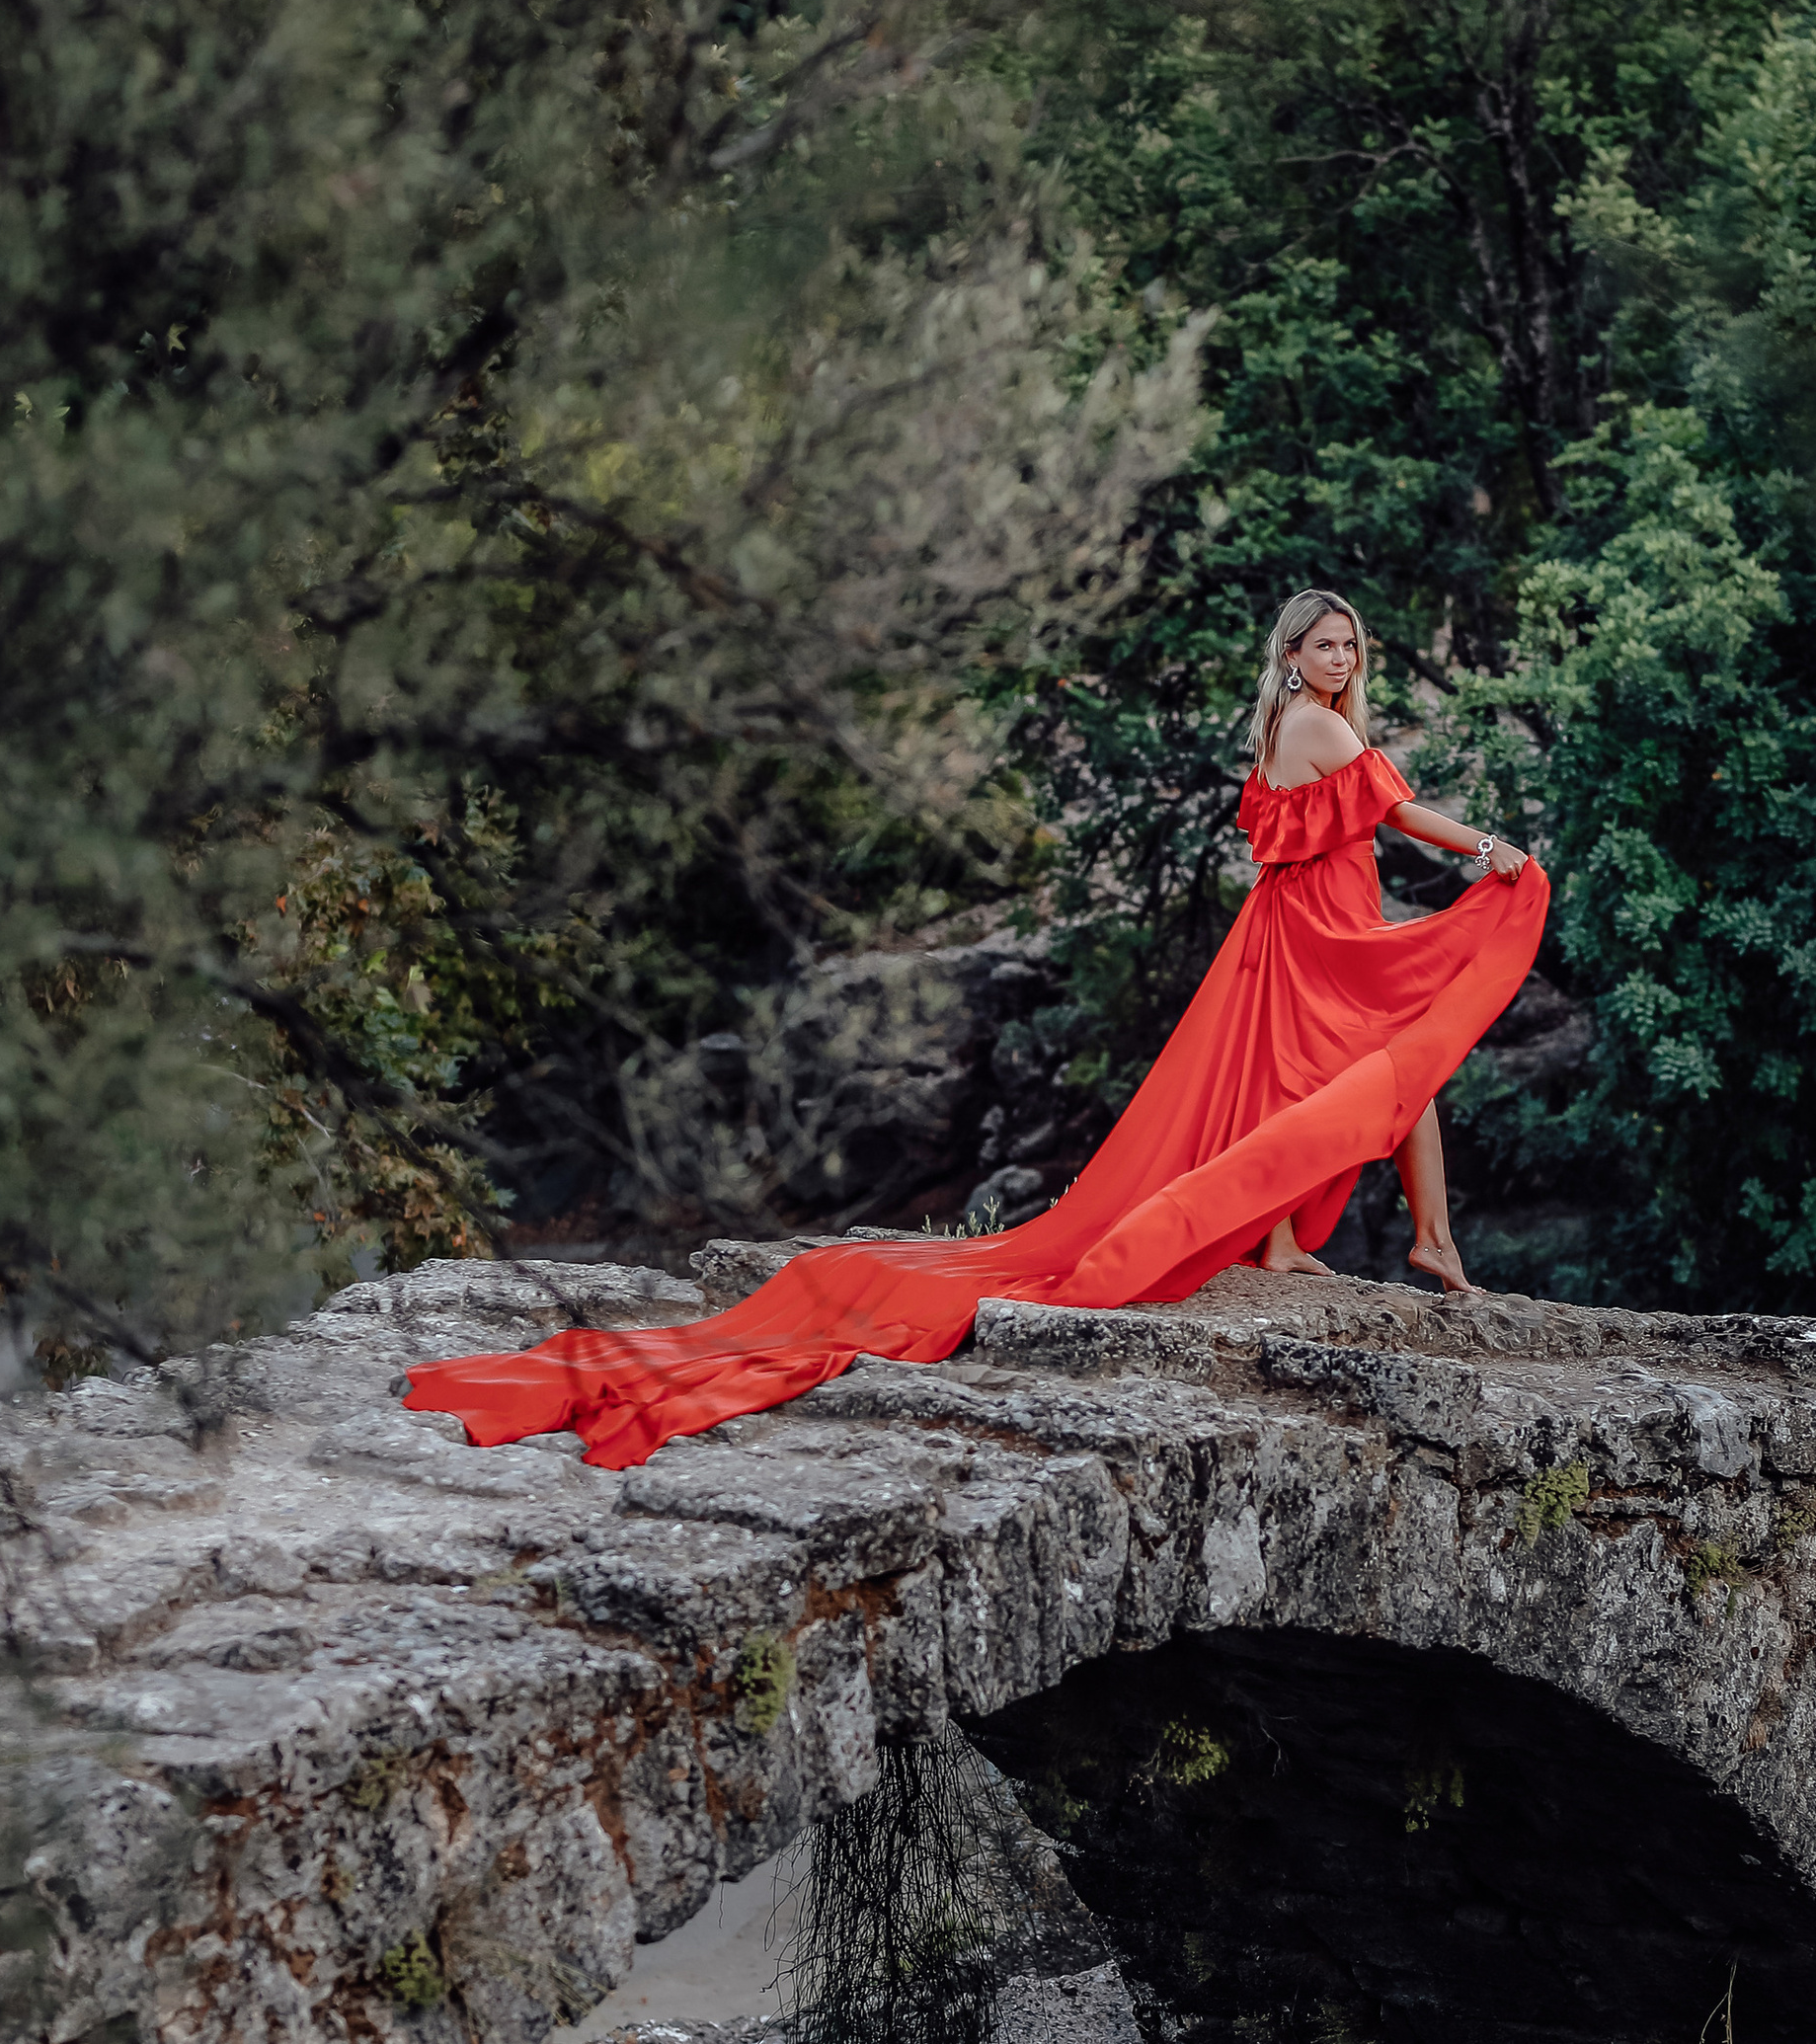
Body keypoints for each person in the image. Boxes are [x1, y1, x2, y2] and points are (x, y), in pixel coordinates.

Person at [405, 587, 1547, 1470]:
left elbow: (1336, 830)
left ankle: (1322, 1239)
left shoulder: (1287, 732)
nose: (1341, 661)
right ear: (1292, 657)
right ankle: (1415, 1240)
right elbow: (1397, 813)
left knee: (1341, 1080)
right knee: (1390, 1070)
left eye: (1352, 646)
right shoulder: (1322, 731)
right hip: (1316, 930)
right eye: (1325, 645)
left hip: (1301, 925)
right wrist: (1492, 854)